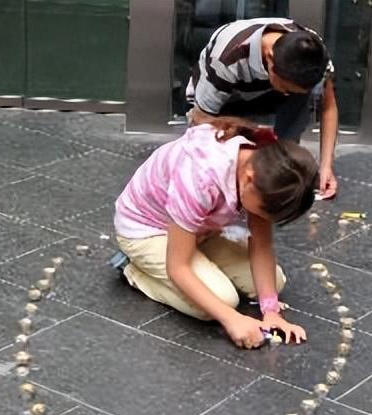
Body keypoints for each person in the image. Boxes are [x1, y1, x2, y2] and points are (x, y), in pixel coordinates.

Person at [112, 119, 317, 349]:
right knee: (221, 302)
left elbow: (262, 245)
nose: (262, 219)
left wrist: (271, 312)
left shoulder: (266, 172)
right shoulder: (200, 176)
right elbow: (177, 267)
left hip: (198, 230)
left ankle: (201, 261)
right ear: (249, 178)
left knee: (274, 283)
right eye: (263, 212)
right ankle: (133, 269)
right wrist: (232, 320)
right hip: (148, 231)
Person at [186, 17, 339, 200]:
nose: (286, 94)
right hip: (224, 103)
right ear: (270, 60)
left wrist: (325, 167)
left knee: (302, 98)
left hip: (265, 92)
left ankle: (284, 161)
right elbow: (201, 120)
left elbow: (328, 107)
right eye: (286, 88)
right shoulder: (226, 58)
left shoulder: (314, 54)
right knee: (225, 167)